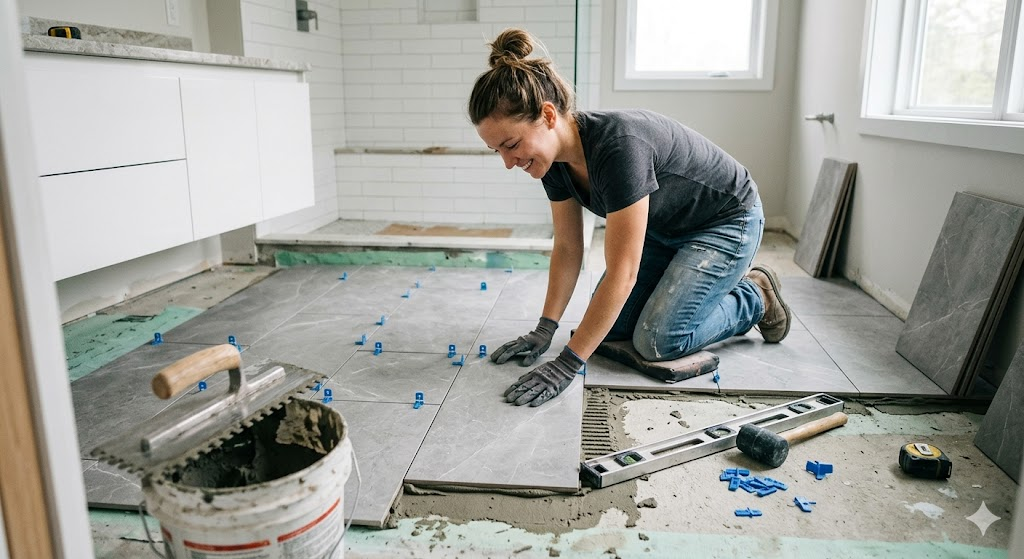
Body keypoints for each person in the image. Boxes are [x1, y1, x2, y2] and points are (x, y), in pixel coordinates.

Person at [469, 28, 791, 408]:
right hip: (665, 228)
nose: (509, 162)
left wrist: (567, 364)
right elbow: (570, 247)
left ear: (548, 115)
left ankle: (756, 296)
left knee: (658, 340)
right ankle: (692, 281)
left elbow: (623, 271)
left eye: (511, 145)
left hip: (725, 222)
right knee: (607, 330)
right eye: (497, 152)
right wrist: (545, 329)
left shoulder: (619, 147)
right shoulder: (554, 163)